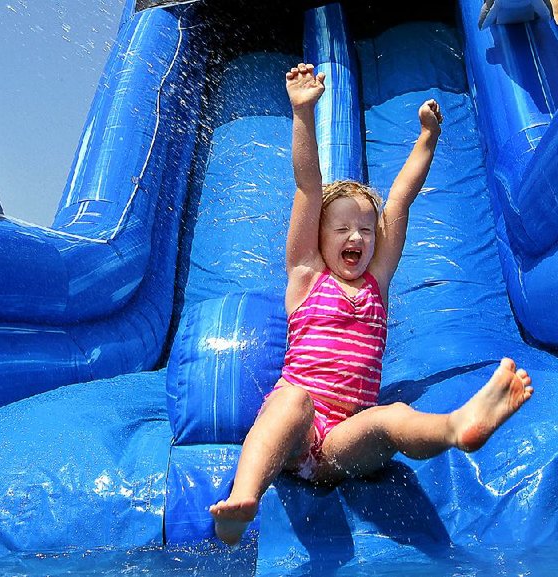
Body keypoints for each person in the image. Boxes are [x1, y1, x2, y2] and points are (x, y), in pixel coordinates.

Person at [208, 63, 534, 546]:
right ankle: (246, 497)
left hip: (345, 441)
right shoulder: (306, 275)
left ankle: (457, 426)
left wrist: (427, 137)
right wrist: (302, 112)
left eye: (364, 228)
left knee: (391, 415)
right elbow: (307, 187)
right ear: (318, 239)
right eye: (341, 229)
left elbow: (399, 201)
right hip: (298, 432)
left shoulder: (376, 282)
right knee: (291, 398)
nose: (356, 237)